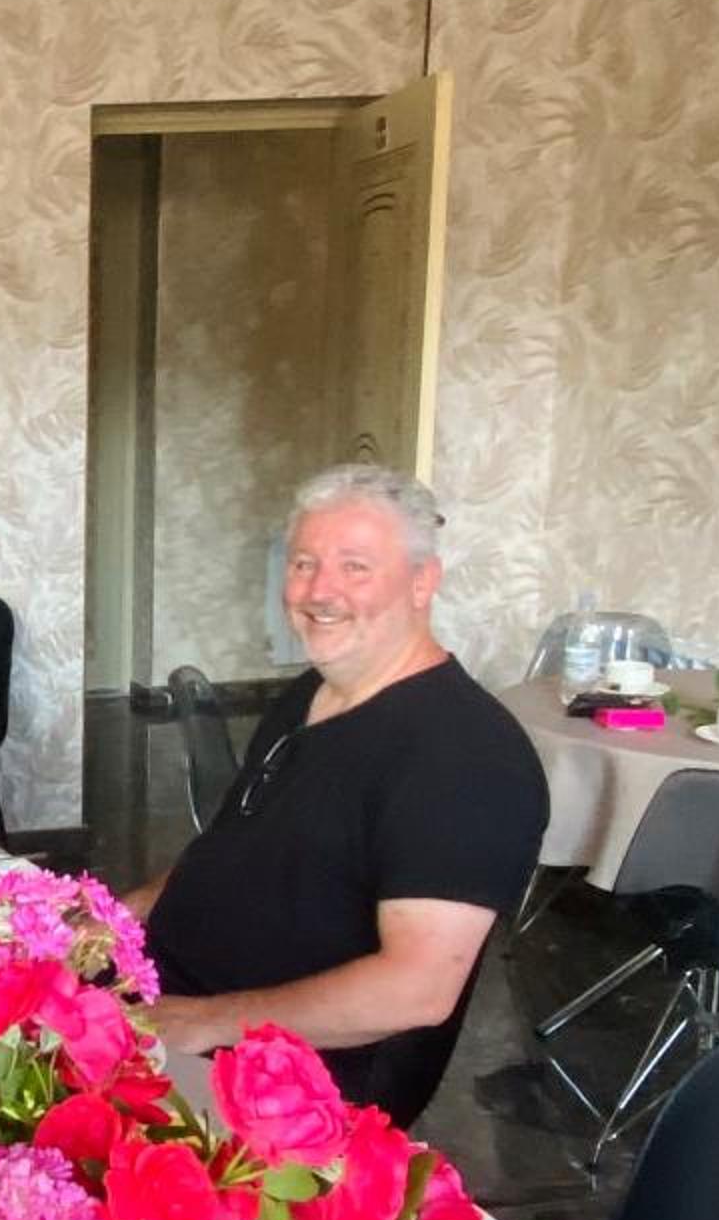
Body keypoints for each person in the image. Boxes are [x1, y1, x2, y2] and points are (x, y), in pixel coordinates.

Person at [131, 465, 546, 1128]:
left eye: (356, 567)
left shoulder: (466, 757)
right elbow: (230, 846)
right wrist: (121, 916)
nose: (320, 592)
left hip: (287, 1080)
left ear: (422, 582)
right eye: (304, 564)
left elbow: (416, 989)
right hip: (166, 991)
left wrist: (207, 1021)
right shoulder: (313, 692)